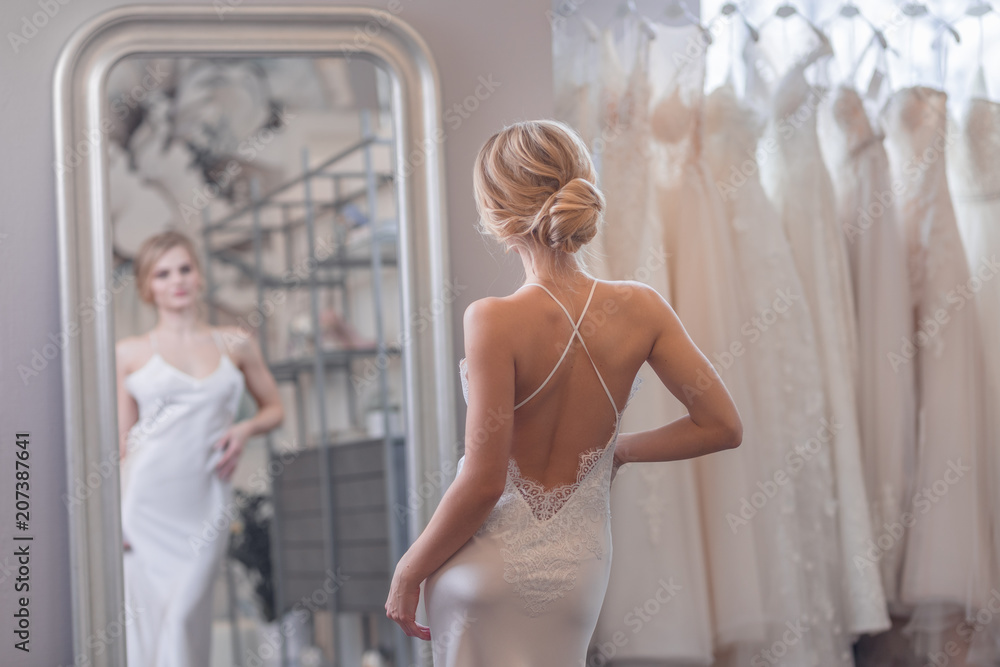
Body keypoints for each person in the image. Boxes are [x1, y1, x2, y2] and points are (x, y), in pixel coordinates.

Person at [384, 119, 743, 665]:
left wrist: (409, 569)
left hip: (484, 573)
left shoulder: (492, 319)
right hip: (580, 571)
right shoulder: (642, 307)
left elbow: (484, 483)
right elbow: (722, 426)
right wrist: (617, 450)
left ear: (496, 213)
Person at [115, 230, 284, 667]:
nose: (177, 280)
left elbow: (274, 409)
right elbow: (121, 442)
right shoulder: (128, 353)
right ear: (146, 286)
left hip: (206, 499)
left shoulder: (235, 342)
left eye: (185, 269)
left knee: (187, 614)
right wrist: (112, 518)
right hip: (145, 502)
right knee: (152, 621)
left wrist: (244, 430)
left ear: (199, 275)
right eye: (163, 273)